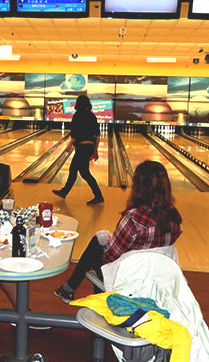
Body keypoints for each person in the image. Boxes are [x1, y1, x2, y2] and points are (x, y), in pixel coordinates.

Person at [54, 160, 183, 303]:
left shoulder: (133, 219)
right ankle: (70, 289)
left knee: (96, 245)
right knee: (99, 245)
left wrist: (110, 242)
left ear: (138, 187)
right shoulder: (174, 219)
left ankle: (73, 289)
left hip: (126, 282)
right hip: (153, 282)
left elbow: (109, 257)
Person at [53, 94, 104, 205]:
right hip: (89, 147)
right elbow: (97, 136)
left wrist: (68, 146)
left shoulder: (77, 115)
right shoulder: (92, 116)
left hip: (82, 148)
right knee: (79, 171)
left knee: (81, 172)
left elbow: (74, 135)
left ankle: (98, 196)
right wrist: (95, 151)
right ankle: (65, 192)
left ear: (78, 104)